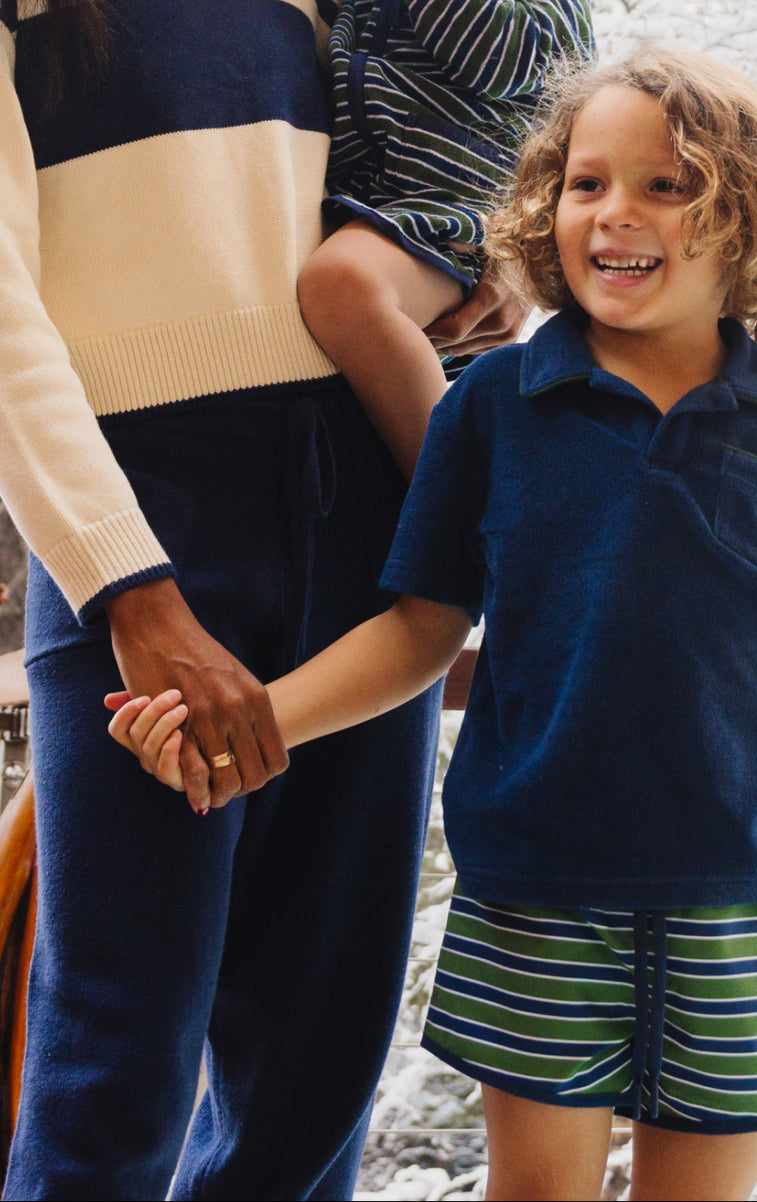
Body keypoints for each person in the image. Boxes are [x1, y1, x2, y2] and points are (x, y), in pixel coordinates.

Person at [109, 45, 757, 1201]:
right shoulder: (490, 410)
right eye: (587, 182)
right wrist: (250, 720)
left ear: (750, 220)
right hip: (537, 892)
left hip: (748, 908)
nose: (615, 212)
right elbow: (422, 629)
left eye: (667, 185)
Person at [0, 1, 526, 1197]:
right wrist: (131, 591)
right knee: (114, 1062)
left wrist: (478, 275)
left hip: (368, 516)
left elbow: (432, 164)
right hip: (138, 516)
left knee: (317, 1065)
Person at [297, 0, 592, 479]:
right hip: (375, 215)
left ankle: (458, 516)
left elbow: (499, 57)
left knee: (343, 284)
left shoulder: (554, 14)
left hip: (453, 225)